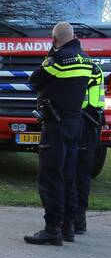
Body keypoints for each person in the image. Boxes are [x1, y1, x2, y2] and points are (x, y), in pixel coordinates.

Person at [25, 22, 94, 245]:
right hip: (76, 124)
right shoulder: (86, 60)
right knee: (69, 176)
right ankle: (68, 227)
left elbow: (33, 81)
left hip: (56, 124)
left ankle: (52, 229)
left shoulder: (58, 60)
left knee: (51, 176)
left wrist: (51, 54)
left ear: (54, 39)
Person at [70, 60, 105, 234]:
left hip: (81, 121)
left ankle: (73, 219)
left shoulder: (77, 68)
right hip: (92, 123)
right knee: (83, 174)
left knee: (73, 172)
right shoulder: (95, 67)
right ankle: (79, 220)